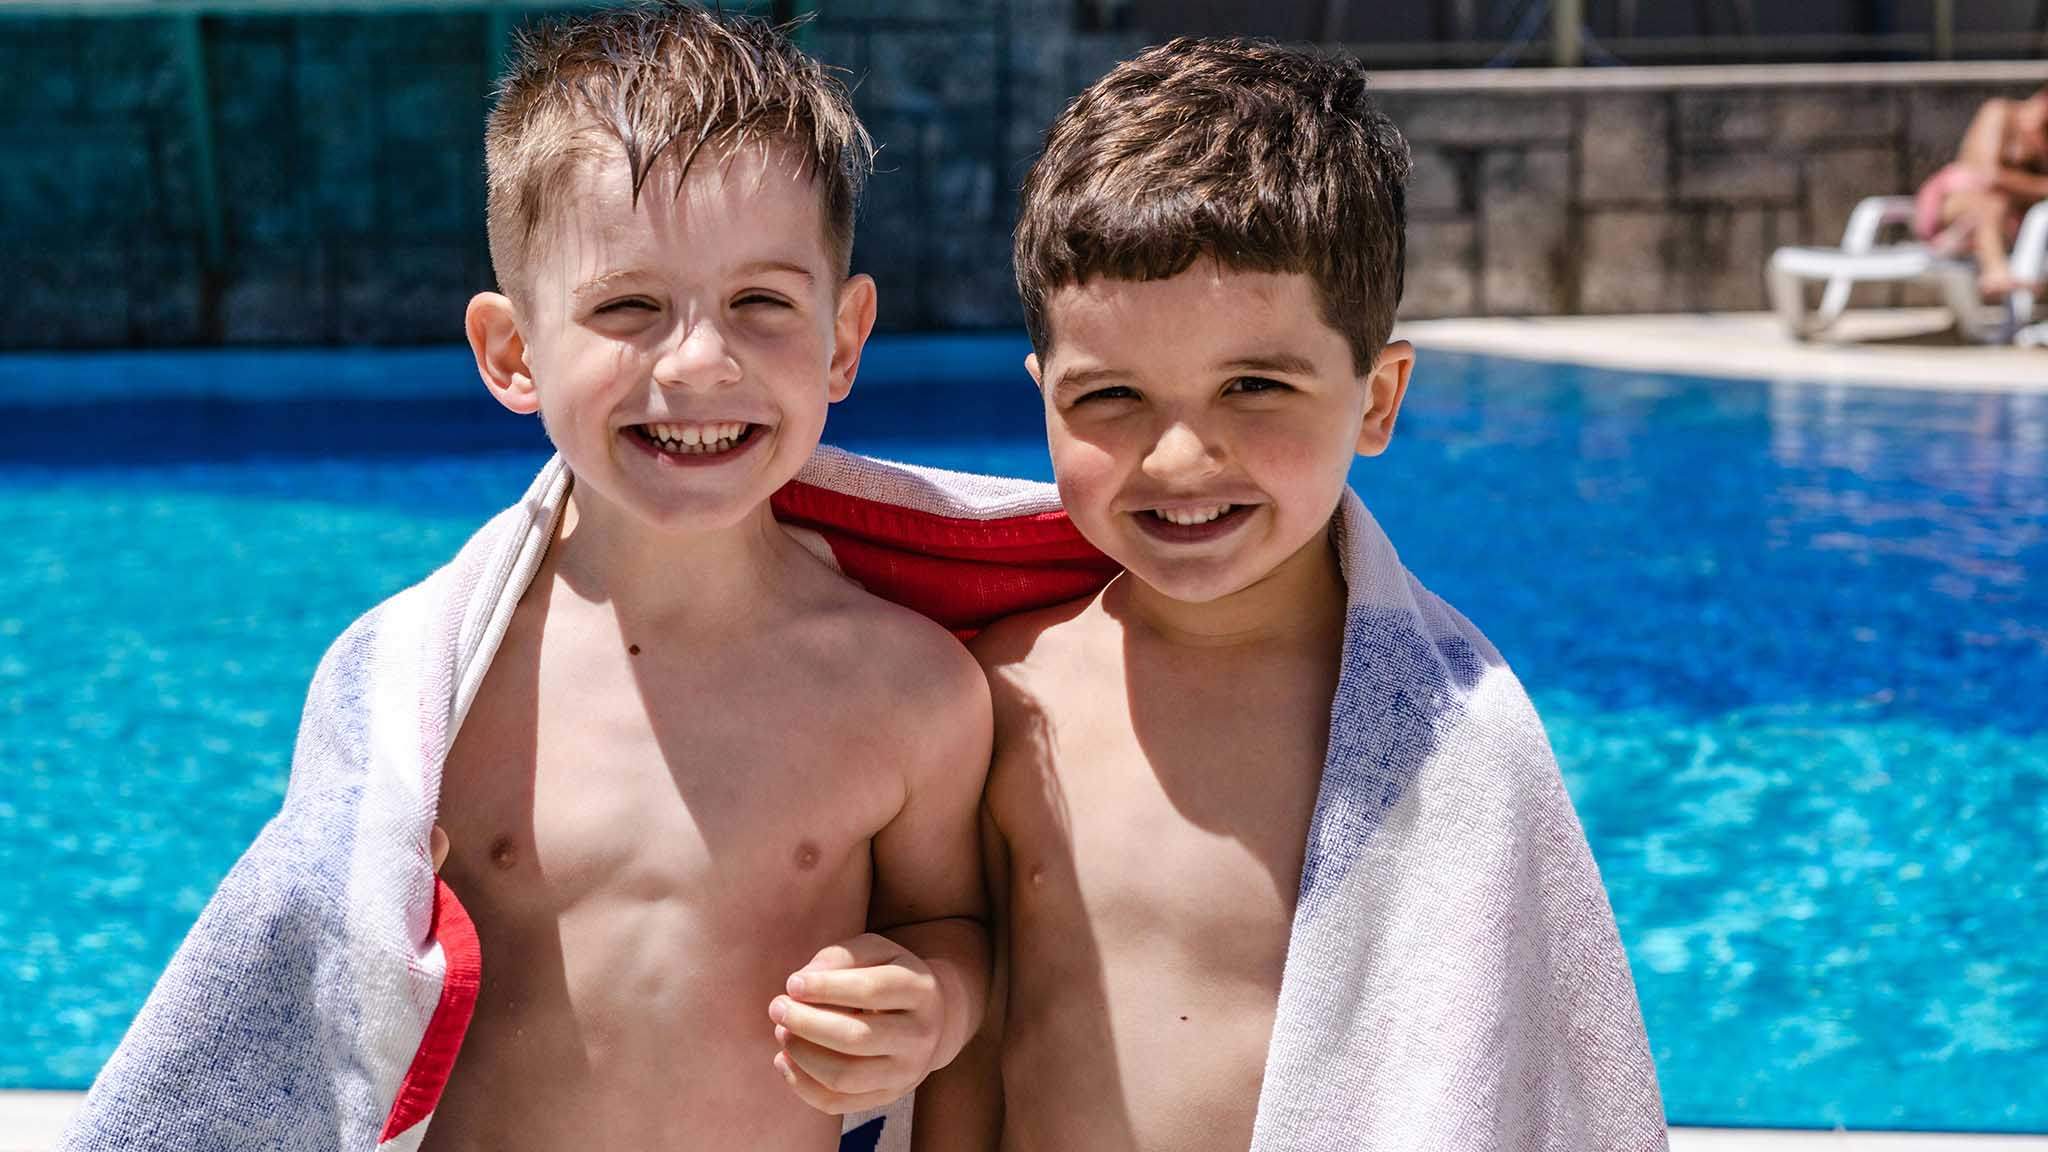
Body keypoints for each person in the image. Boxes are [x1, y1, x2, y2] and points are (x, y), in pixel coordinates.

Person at [60, 8, 993, 1151]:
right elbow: (315, 980)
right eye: (627, 306)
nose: (700, 361)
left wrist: (936, 1000)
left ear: (843, 340)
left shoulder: (908, 691)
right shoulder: (429, 694)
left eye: (761, 303)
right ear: (512, 352)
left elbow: (956, 923)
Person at [913, 37, 1668, 1152]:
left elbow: (1493, 1070)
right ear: (1042, 397)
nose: (1179, 456)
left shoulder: (1450, 742)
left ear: (1378, 400)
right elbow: (971, 1055)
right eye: (1109, 396)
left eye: (1254, 385)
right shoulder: (1001, 692)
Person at [1916, 84, 2048, 299]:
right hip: (1956, 204)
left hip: (2006, 222)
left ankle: (1961, 239)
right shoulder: (2001, 112)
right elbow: (1990, 176)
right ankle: (1994, 270)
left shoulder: (2042, 137)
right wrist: (2041, 186)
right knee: (1990, 204)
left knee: (1998, 208)